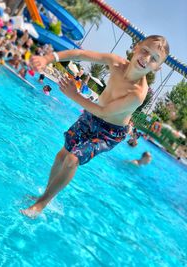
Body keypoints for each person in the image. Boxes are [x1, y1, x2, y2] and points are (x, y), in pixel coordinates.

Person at [20, 35, 169, 218]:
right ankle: (42, 196)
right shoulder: (116, 63)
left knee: (73, 159)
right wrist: (48, 58)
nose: (146, 58)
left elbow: (106, 112)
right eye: (145, 51)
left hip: (110, 132)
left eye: (154, 58)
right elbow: (81, 53)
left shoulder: (138, 93)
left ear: (157, 67)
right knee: (62, 156)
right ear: (137, 47)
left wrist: (74, 95)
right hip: (92, 116)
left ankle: (40, 205)